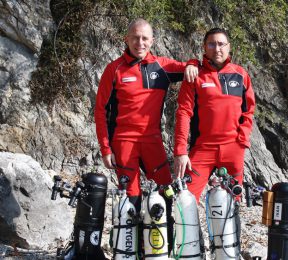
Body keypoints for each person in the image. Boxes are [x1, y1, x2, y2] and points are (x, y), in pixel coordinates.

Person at [94, 18, 197, 254]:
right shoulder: (115, 69)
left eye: (144, 38)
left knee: (167, 192)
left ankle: (164, 247)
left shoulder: (161, 66)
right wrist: (105, 149)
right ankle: (131, 249)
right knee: (131, 198)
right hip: (124, 142)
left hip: (152, 141)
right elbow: (100, 111)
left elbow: (191, 67)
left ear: (152, 41)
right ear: (126, 39)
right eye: (135, 37)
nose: (140, 42)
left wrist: (191, 63)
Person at [174, 27, 255, 202]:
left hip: (233, 148)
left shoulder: (240, 74)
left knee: (233, 202)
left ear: (229, 46)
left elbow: (249, 110)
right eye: (211, 44)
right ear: (204, 47)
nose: (217, 49)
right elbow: (184, 113)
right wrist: (180, 150)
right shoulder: (195, 75)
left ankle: (231, 230)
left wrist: (242, 139)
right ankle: (191, 231)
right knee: (185, 199)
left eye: (221, 44)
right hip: (203, 148)